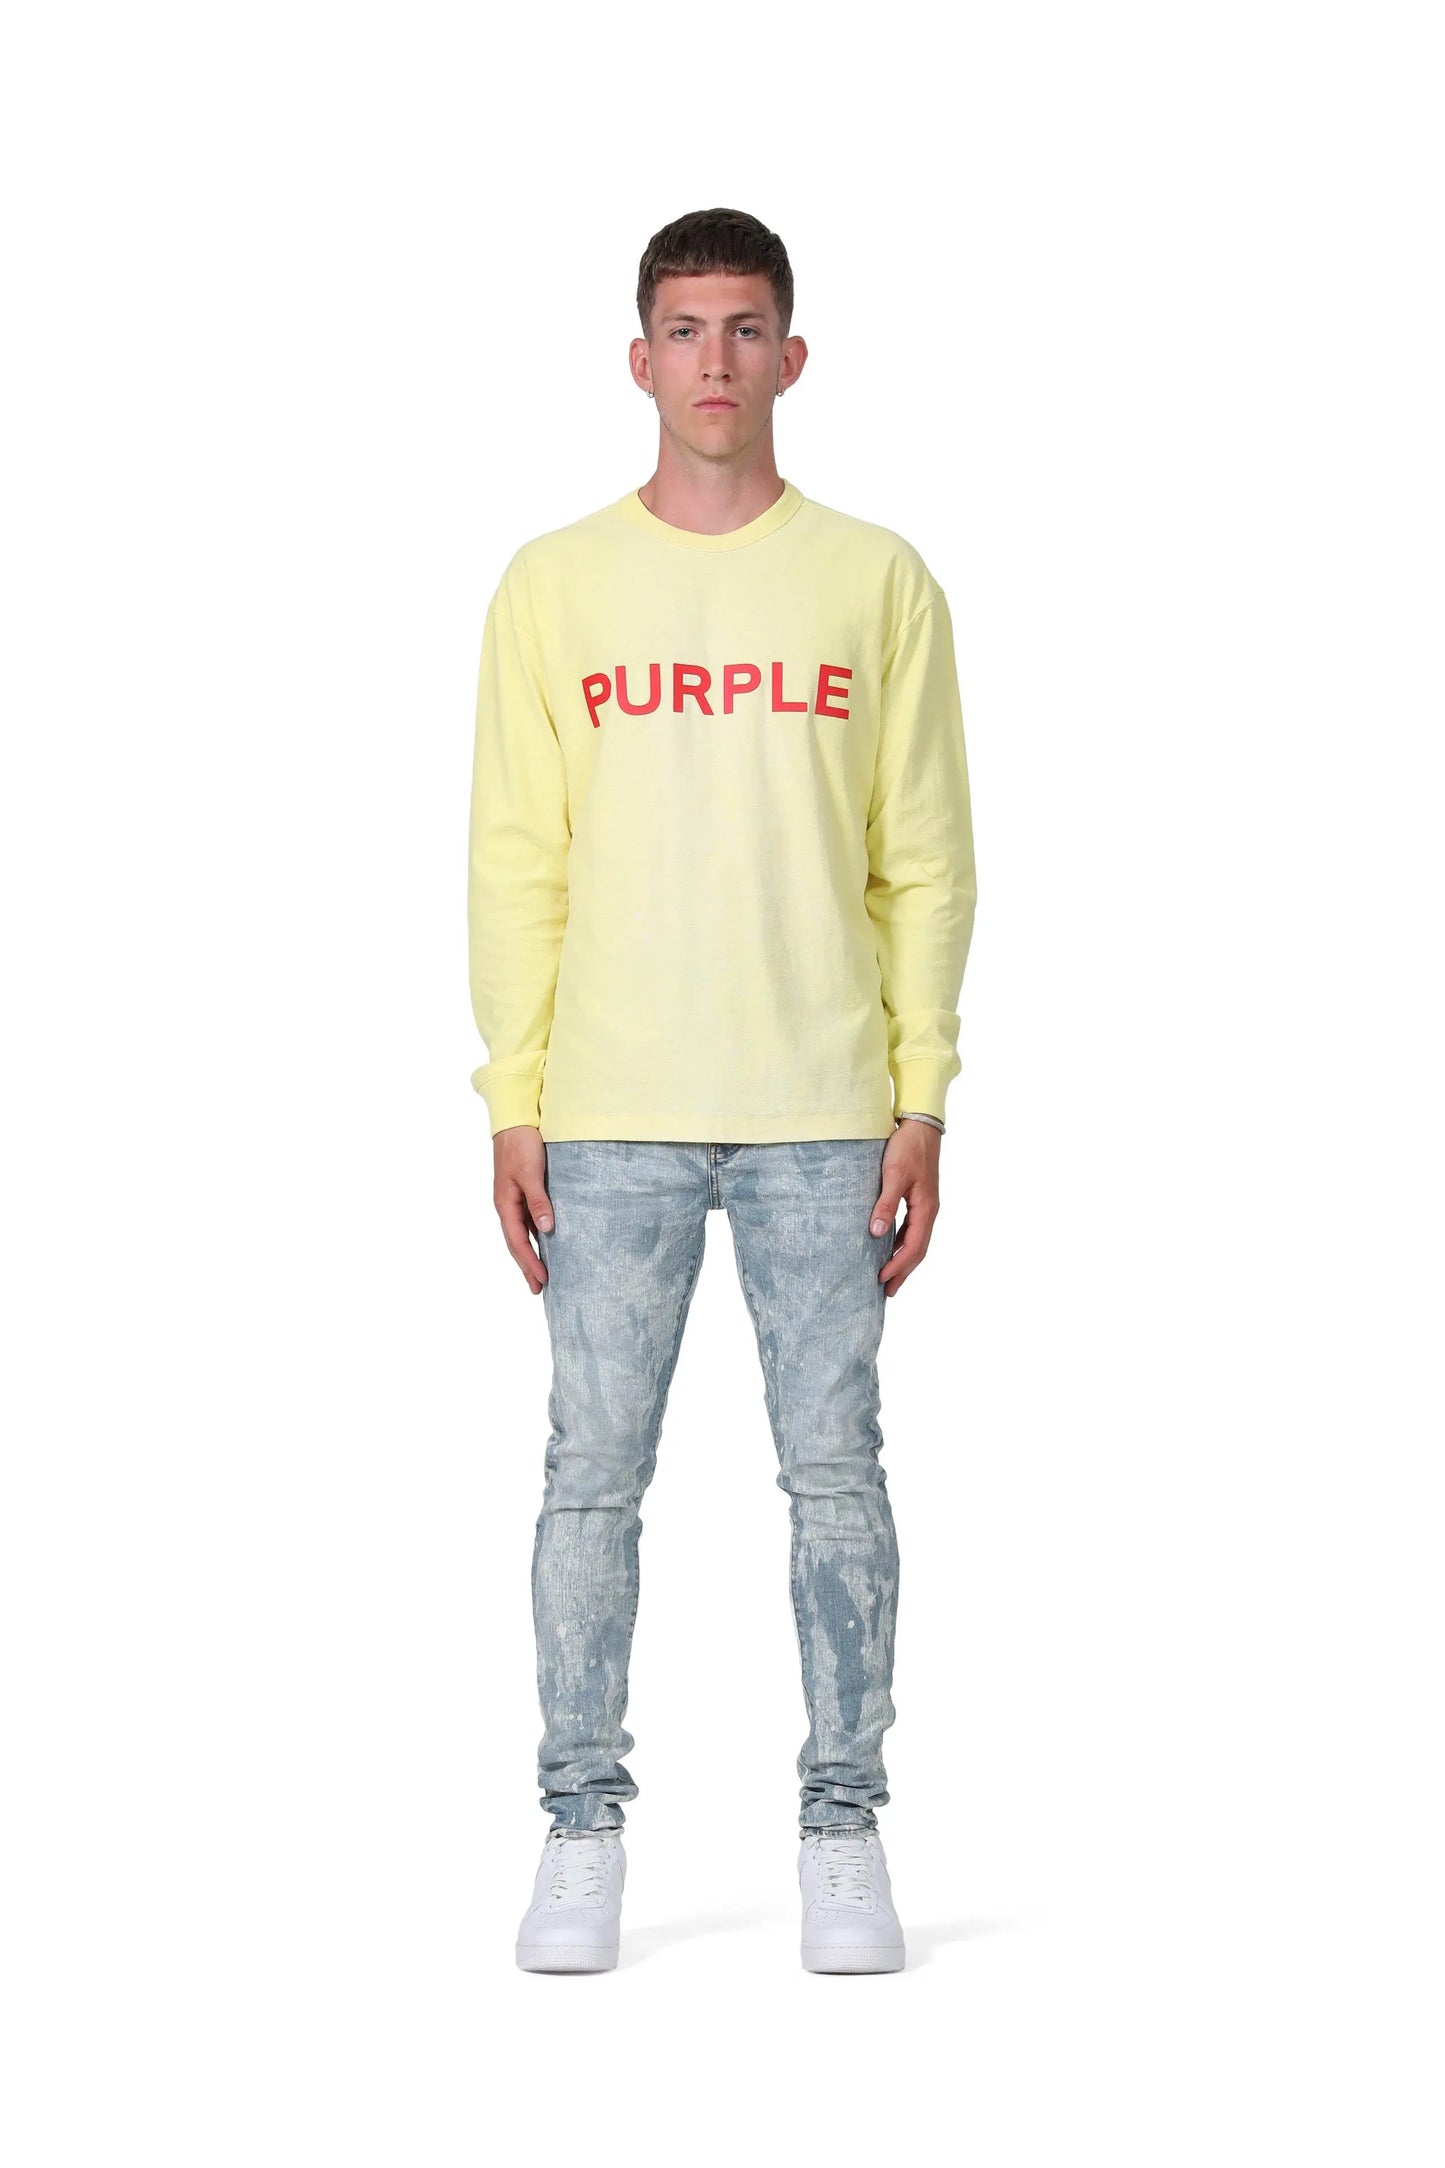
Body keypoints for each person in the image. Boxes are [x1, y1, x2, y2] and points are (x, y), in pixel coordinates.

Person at [467, 207, 978, 1974]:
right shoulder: (552, 585)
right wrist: (512, 1097)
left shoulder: (876, 579)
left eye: (744, 328)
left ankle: (843, 1829)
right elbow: (516, 855)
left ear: (790, 357)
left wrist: (923, 1092)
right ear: (639, 360)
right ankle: (579, 1830)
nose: (713, 361)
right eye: (683, 330)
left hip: (822, 1104)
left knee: (834, 1476)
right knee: (589, 1480)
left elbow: (924, 855)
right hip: (606, 1105)